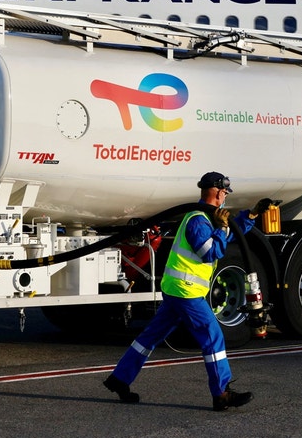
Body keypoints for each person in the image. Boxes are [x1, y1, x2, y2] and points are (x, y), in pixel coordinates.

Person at [104, 171, 271, 411]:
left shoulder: (205, 218)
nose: (225, 196)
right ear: (216, 191)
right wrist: (221, 229)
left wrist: (251, 214)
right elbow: (210, 252)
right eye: (224, 191)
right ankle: (221, 393)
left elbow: (230, 233)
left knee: (149, 337)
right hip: (187, 291)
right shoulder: (198, 220)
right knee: (213, 337)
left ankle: (119, 379)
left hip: (177, 290)